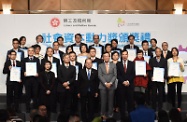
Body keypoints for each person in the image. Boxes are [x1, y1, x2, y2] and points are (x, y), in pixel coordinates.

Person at [116, 50, 135, 121]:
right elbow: (118, 75)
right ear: (121, 55)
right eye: (123, 54)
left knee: (130, 103)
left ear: (127, 55)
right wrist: (123, 81)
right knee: (122, 103)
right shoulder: (118, 64)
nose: (124, 56)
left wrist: (128, 81)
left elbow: (133, 74)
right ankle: (123, 118)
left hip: (130, 86)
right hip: (121, 86)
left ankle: (131, 118)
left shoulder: (132, 63)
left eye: (125, 54)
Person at [98, 52, 117, 119]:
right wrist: (105, 83)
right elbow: (100, 75)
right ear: (103, 57)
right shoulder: (100, 65)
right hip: (103, 86)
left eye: (107, 56)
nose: (106, 57)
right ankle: (102, 114)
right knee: (103, 101)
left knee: (111, 101)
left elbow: (115, 75)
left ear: (109, 57)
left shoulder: (113, 65)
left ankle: (110, 115)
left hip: (111, 86)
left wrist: (111, 83)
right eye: (105, 56)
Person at [22, 47, 41, 112]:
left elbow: (39, 69)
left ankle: (35, 108)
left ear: (34, 52)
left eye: (32, 51)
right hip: (27, 80)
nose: (30, 52)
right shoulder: (24, 60)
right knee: (28, 95)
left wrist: (38, 73)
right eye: (29, 51)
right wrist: (24, 72)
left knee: (35, 95)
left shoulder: (37, 59)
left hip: (35, 80)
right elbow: (22, 69)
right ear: (27, 52)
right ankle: (27, 108)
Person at [168, 47, 185, 111]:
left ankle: (179, 106)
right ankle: (173, 106)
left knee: (179, 92)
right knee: (173, 92)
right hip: (172, 78)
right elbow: (168, 69)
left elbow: (183, 70)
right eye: (173, 51)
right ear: (171, 52)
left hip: (179, 77)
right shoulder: (169, 60)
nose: (174, 52)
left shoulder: (180, 59)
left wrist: (181, 66)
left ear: (177, 52)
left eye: (175, 51)